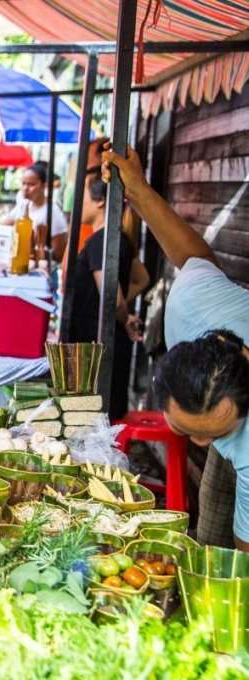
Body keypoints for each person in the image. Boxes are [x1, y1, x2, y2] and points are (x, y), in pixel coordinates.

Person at [103, 144, 249, 550]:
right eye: (188, 431)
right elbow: (194, 255)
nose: (199, 445)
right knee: (215, 510)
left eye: (213, 433)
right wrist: (139, 189)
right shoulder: (192, 305)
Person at [69, 176, 150, 420]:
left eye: (82, 200)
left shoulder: (100, 241)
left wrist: (122, 314)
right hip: (108, 343)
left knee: (94, 421)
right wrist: (123, 306)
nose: (78, 206)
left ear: (101, 202)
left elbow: (111, 298)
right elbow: (142, 279)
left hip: (98, 346)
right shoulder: (120, 239)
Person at [0, 163, 68, 262]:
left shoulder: (53, 214)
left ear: (44, 185)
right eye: (23, 183)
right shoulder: (24, 206)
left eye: (31, 184)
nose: (25, 188)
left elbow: (59, 255)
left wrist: (34, 248)